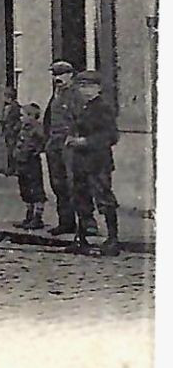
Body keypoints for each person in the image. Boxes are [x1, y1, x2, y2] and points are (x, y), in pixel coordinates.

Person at [66, 71, 122, 257]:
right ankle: (82, 239)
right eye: (82, 86)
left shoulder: (103, 108)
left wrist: (86, 142)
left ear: (98, 88)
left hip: (98, 162)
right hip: (80, 161)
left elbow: (111, 136)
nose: (85, 90)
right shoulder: (83, 107)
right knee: (80, 198)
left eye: (89, 86)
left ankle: (113, 240)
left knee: (104, 199)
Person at [43, 61, 84, 237]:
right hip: (54, 143)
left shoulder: (76, 95)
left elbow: (81, 119)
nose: (56, 78)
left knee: (74, 183)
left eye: (60, 74)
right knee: (58, 184)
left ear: (70, 75)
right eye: (54, 74)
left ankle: (85, 223)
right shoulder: (56, 94)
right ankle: (65, 222)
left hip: (69, 144)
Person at [10, 102, 48, 231]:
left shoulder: (37, 128)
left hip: (31, 162)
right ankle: (29, 215)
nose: (20, 118)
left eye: (23, 115)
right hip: (22, 162)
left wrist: (36, 151)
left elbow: (43, 140)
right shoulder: (23, 127)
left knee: (35, 188)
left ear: (31, 116)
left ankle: (37, 217)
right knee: (25, 188)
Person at [0, 85, 22, 176]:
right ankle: (11, 168)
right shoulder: (9, 107)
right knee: (10, 150)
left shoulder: (13, 107)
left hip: (12, 132)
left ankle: (13, 168)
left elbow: (14, 119)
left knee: (12, 151)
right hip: (9, 131)